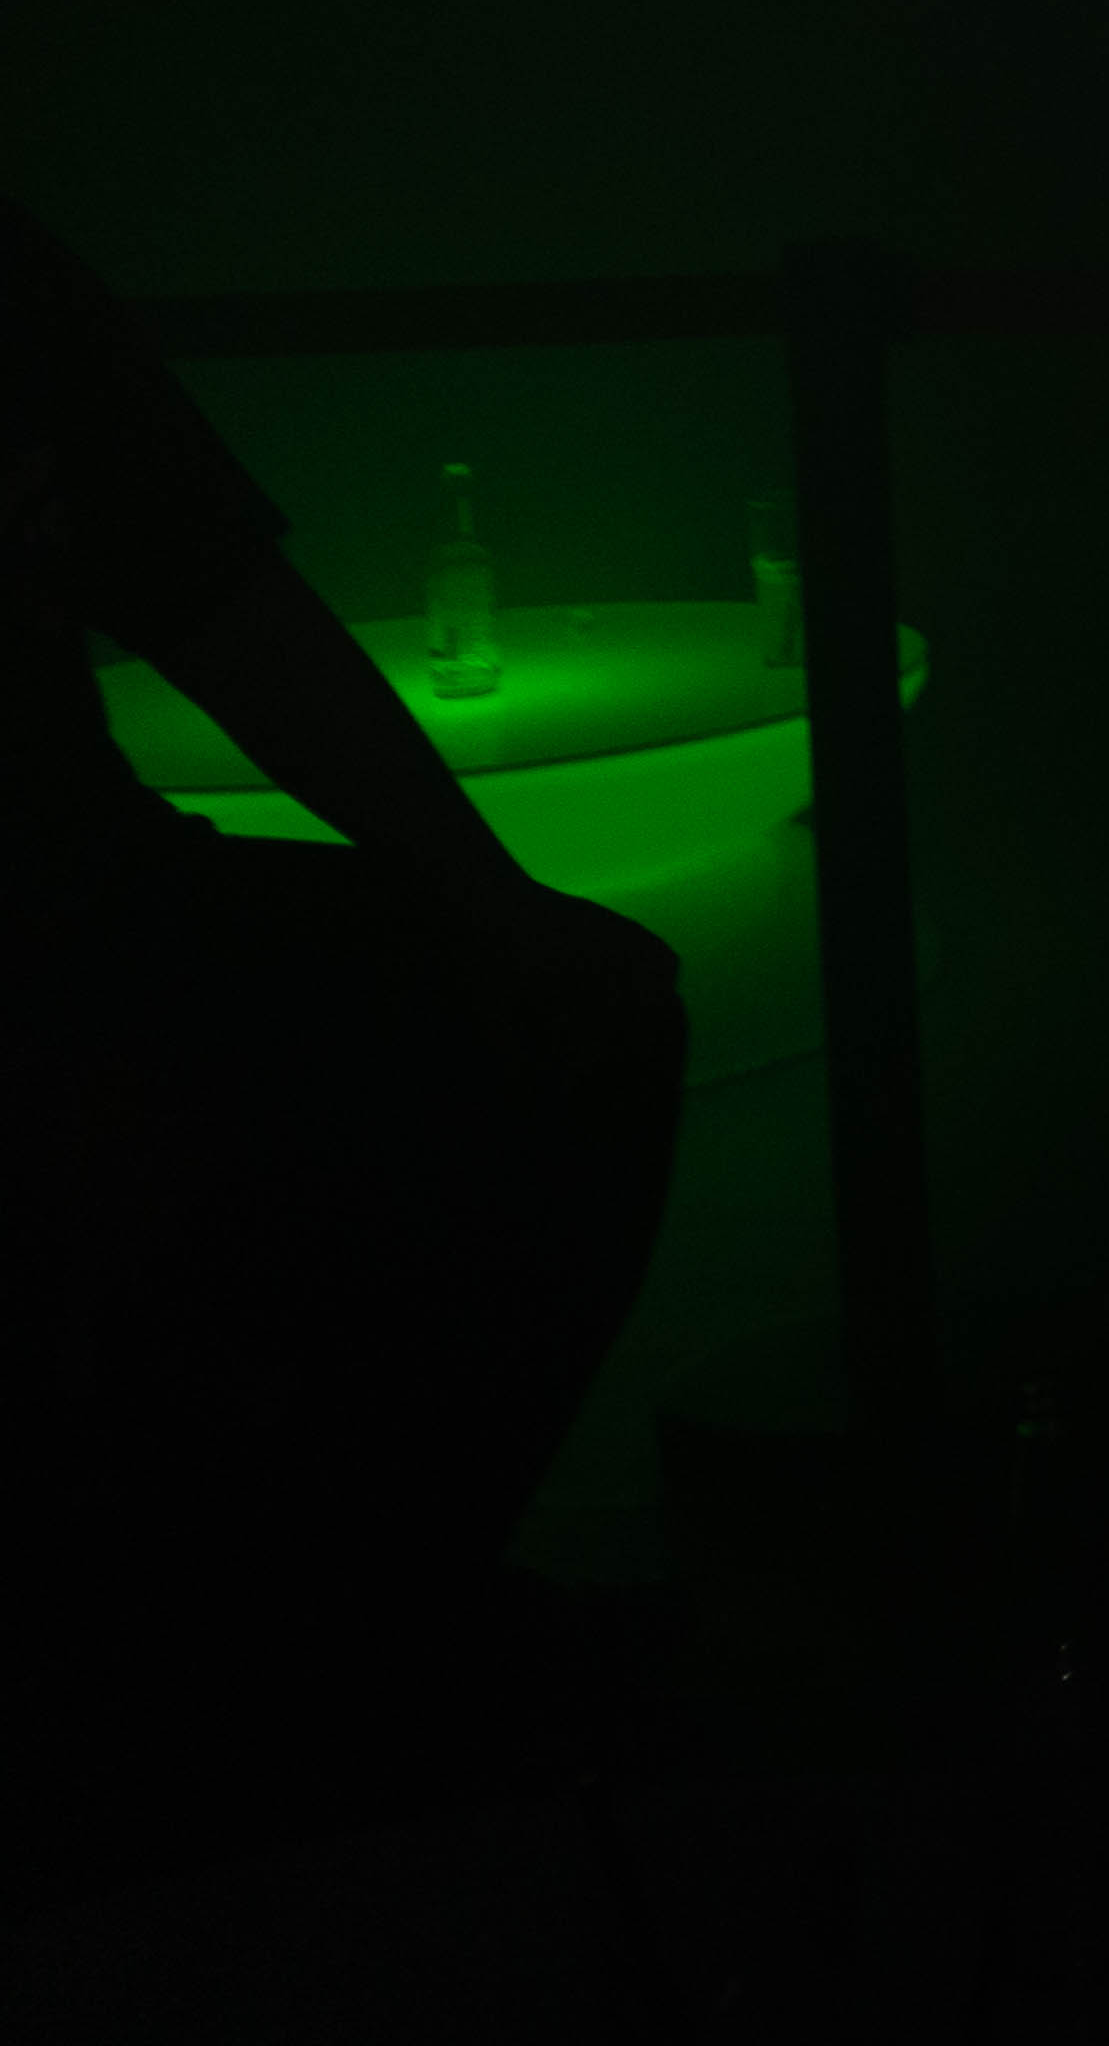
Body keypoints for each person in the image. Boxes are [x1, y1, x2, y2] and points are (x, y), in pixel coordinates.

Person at [0, 191, 688, 1923]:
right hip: (89, 914)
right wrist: (488, 907)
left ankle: (318, 1653)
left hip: (92, 902)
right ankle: (328, 1661)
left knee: (580, 1013)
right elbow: (214, 589)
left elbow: (213, 589)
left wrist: (492, 909)